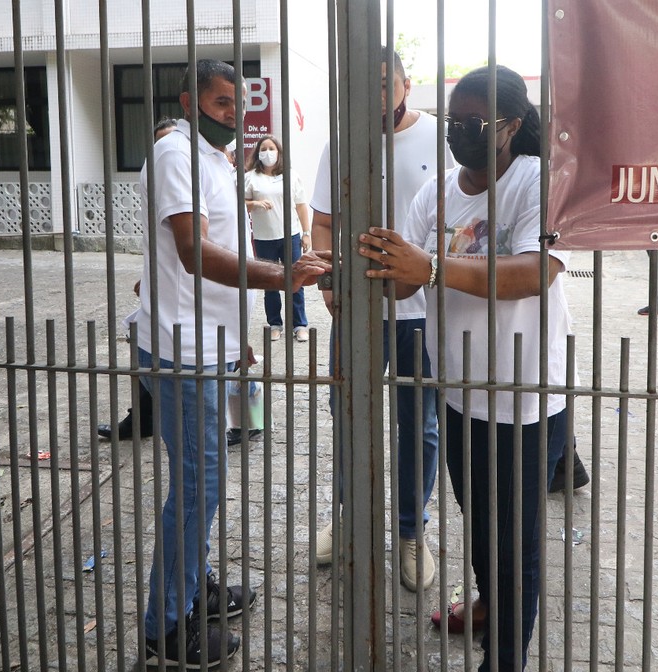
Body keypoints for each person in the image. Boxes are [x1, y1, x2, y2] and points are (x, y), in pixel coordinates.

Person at [357, 64, 584, 671]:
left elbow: (534, 272)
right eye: (454, 120)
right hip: (458, 393)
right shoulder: (436, 194)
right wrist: (356, 270)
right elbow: (401, 279)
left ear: (511, 125)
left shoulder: (538, 182)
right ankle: (490, 605)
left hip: (525, 396)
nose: (460, 131)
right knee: (480, 521)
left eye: (474, 122)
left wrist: (429, 267)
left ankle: (504, 656)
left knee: (516, 543)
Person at [137, 59, 328, 669]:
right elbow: (193, 252)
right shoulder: (177, 155)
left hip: (207, 341)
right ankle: (167, 625)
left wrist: (237, 334)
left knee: (202, 480)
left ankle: (198, 585)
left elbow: (223, 247)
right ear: (190, 102)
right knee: (199, 486)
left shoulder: (217, 160)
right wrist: (282, 275)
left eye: (238, 104)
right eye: (221, 103)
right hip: (180, 349)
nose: (233, 114)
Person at [309, 47, 448, 592]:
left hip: (421, 312)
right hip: (357, 309)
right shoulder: (340, 144)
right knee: (349, 415)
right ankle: (347, 520)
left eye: (385, 82)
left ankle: (411, 532)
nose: (375, 94)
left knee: (421, 426)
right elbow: (322, 223)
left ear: (406, 84)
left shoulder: (438, 139)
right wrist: (327, 281)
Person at [98, 117, 178, 442]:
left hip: (203, 300)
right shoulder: (156, 186)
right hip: (165, 292)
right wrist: (148, 280)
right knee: (148, 349)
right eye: (160, 145)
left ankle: (246, 420)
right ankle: (142, 419)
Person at [244, 134, 312, 343]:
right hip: (264, 238)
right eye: (263, 149)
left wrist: (306, 233)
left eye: (271, 148)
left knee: (295, 281)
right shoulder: (250, 177)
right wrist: (255, 204)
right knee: (270, 283)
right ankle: (275, 324)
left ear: (279, 152)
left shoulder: (291, 176)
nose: (268, 153)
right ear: (257, 153)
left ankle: (299, 325)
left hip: (289, 235)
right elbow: (239, 202)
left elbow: (301, 205)